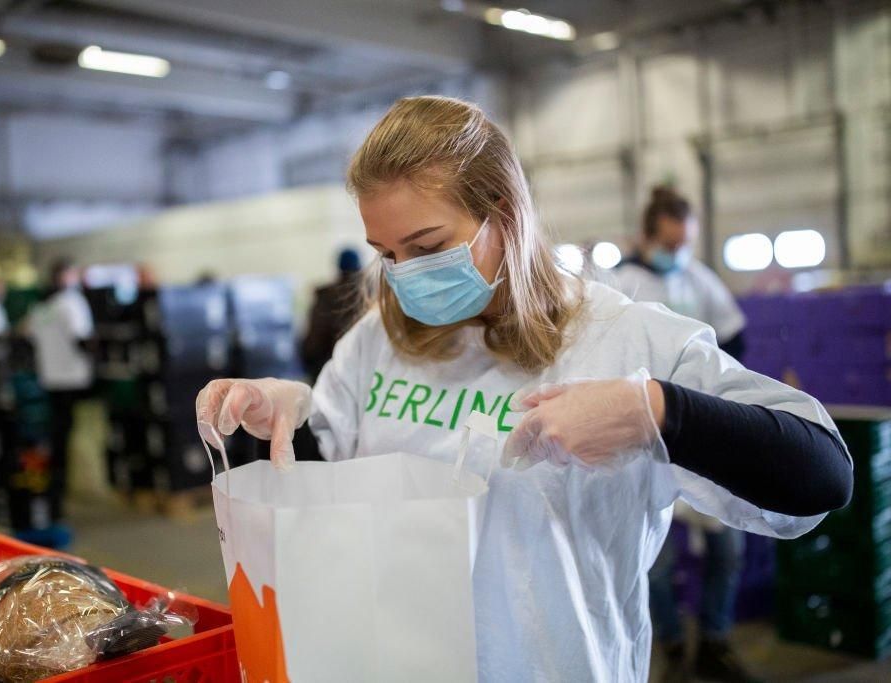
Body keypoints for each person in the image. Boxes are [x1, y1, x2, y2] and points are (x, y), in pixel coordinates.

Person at [196, 96, 852, 682]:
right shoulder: (379, 342)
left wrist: (657, 411)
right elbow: (333, 492)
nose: (405, 274)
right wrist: (288, 418)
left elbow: (822, 471)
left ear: (504, 215)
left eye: (427, 245)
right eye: (387, 253)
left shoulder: (622, 339)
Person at [615, 187, 753, 683]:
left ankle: (714, 640)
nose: (678, 254)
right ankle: (673, 648)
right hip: (645, 440)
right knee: (653, 558)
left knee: (727, 547)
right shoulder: (622, 285)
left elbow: (735, 339)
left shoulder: (698, 279)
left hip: (701, 433)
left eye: (685, 244)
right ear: (647, 236)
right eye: (670, 244)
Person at [27, 258, 95, 522]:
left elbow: (28, 335)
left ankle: (57, 488)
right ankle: (75, 486)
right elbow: (81, 338)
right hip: (74, 380)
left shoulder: (42, 308)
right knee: (74, 434)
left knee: (57, 436)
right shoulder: (72, 302)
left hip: (51, 380)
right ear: (66, 275)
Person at [301, 248, 362, 382]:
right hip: (361, 371)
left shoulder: (325, 297)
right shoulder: (370, 296)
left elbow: (313, 341)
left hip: (327, 370)